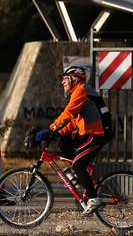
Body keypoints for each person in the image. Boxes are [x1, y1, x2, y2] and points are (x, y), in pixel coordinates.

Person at [34, 64, 112, 216]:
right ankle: (78, 176)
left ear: (74, 78)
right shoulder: (78, 92)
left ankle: (94, 199)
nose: (62, 82)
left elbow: (67, 113)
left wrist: (49, 130)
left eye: (65, 79)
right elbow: (72, 122)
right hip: (89, 133)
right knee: (64, 140)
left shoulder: (81, 90)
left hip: (98, 134)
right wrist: (55, 133)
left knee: (78, 164)